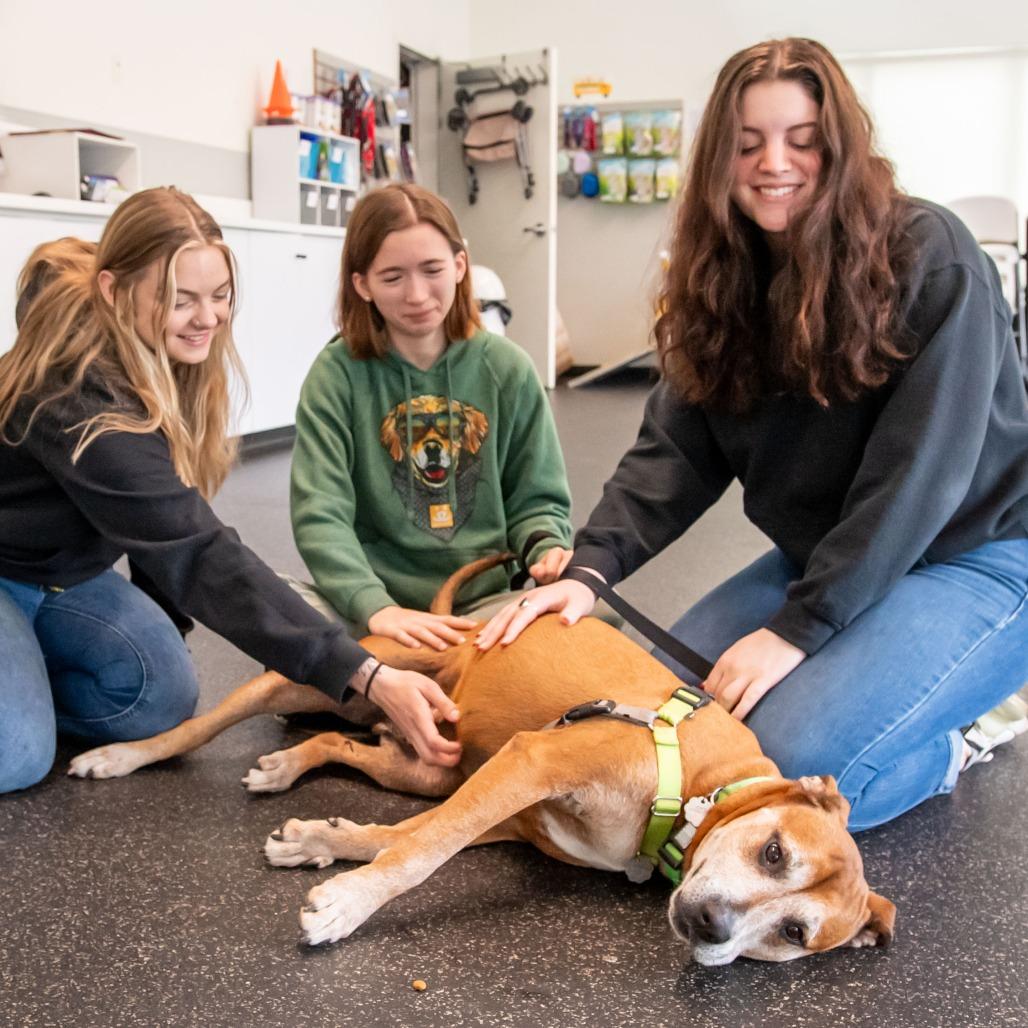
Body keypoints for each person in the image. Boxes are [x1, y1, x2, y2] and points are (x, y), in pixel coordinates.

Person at [477, 38, 1028, 831]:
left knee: (787, 769)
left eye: (802, 140)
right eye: (748, 144)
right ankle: (866, 663)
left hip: (974, 555)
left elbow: (918, 481)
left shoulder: (932, 258)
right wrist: (590, 569)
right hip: (828, 553)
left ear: (839, 149)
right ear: (718, 160)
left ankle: (960, 740)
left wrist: (796, 630)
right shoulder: (719, 275)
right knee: (647, 725)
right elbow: (674, 451)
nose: (775, 163)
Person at [0, 187, 461, 795]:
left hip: (63, 576)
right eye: (180, 300)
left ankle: (23, 671)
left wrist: (161, 626)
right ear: (114, 291)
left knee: (157, 701)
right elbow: (195, 548)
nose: (208, 318)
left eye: (219, 296)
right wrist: (366, 675)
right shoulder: (81, 399)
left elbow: (160, 512)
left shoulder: (156, 352)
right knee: (17, 756)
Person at [287, 183, 575, 651]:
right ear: (362, 284)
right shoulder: (334, 375)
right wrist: (377, 608)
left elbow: (537, 500)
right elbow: (321, 515)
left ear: (461, 266)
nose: (417, 294)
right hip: (376, 608)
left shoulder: (508, 368)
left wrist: (545, 548)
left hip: (483, 606)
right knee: (281, 614)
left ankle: (386, 682)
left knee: (590, 612)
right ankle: (423, 675)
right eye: (393, 277)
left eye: (432, 270)